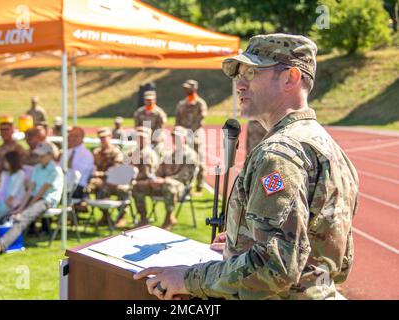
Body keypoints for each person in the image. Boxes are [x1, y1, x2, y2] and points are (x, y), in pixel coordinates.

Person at [134, 33, 359, 300]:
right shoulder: (329, 147)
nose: (239, 84)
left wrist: (187, 278)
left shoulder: (278, 154)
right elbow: (338, 259)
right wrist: (241, 240)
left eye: (252, 72)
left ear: (291, 78)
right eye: (238, 75)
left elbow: (274, 267)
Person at [0, 142, 63, 257]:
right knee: (8, 216)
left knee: (22, 219)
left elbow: (42, 191)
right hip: (34, 198)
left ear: (50, 155)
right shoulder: (37, 168)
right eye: (39, 156)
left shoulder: (55, 170)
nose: (39, 158)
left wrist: (26, 209)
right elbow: (31, 189)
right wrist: (20, 208)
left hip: (46, 201)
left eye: (42, 156)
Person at [133, 126, 198, 230]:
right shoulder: (168, 154)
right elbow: (159, 171)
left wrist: (164, 180)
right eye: (173, 137)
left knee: (169, 186)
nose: (175, 140)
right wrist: (154, 179)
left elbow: (184, 177)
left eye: (178, 137)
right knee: (137, 186)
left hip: (180, 187)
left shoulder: (190, 155)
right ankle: (143, 218)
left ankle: (169, 218)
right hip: (162, 184)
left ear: (184, 139)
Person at [175, 80, 208, 192]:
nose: (186, 90)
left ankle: (199, 186)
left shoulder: (200, 104)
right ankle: (185, 186)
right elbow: (177, 122)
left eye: (188, 88)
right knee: (185, 161)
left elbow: (200, 119)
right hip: (184, 137)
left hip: (196, 136)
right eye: (185, 88)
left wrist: (189, 132)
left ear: (194, 88)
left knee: (199, 160)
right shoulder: (181, 104)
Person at [126, 127, 159, 226]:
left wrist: (133, 179)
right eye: (138, 138)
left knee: (136, 189)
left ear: (148, 140)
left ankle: (143, 218)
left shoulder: (150, 154)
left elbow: (148, 173)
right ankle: (119, 216)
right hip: (134, 180)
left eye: (143, 138)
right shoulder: (133, 152)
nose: (140, 140)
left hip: (148, 182)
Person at [133, 91, 167, 160]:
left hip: (156, 140)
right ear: (144, 100)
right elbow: (137, 127)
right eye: (147, 100)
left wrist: (152, 138)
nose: (149, 102)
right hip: (143, 140)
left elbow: (160, 128)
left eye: (150, 100)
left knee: (158, 154)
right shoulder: (139, 112)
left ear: (154, 100)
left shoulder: (159, 113)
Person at [67, 127, 95, 199]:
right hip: (65, 185)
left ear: (82, 138)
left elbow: (79, 175)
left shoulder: (86, 154)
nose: (72, 138)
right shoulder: (67, 152)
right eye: (71, 135)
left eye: (76, 136)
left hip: (78, 187)